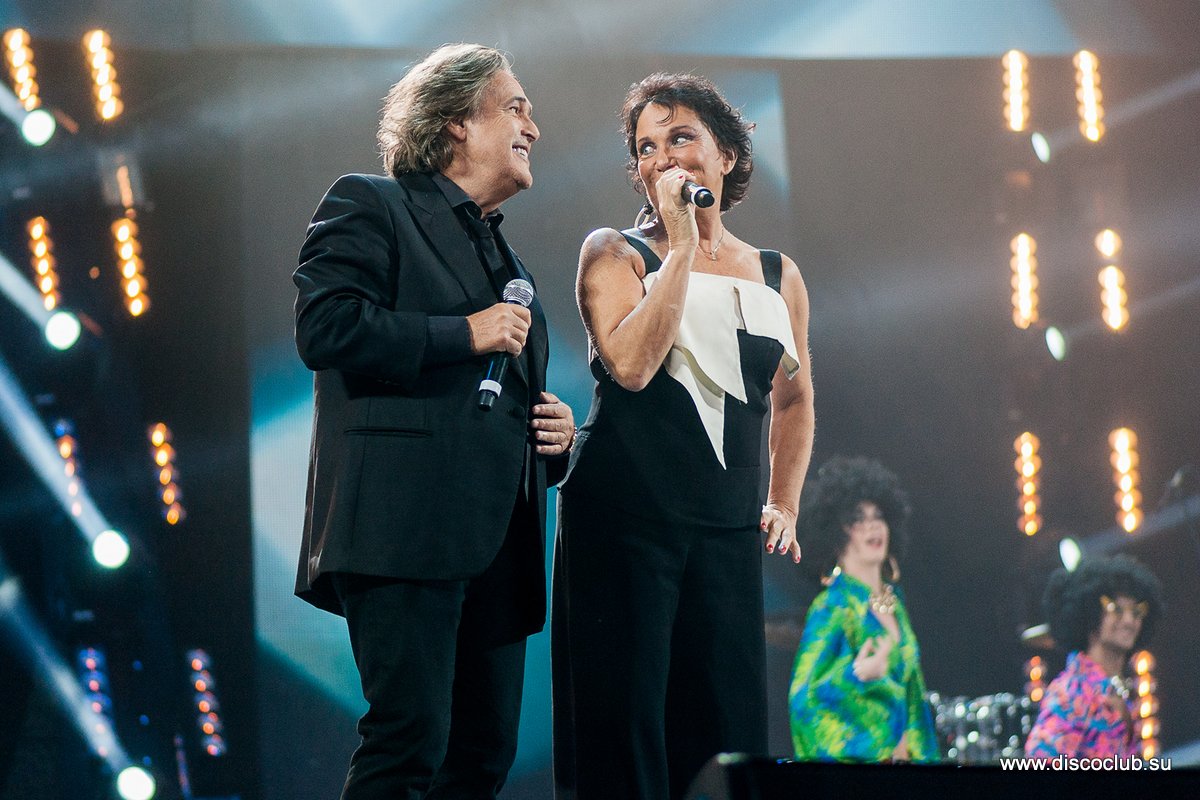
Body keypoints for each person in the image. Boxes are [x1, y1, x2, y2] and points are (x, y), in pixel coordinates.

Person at [292, 44, 575, 800]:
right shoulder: (371, 203)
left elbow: (497, 393)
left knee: (482, 756)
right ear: (455, 120)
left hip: (497, 545)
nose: (533, 128)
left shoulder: (507, 258)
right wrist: (464, 333)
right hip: (403, 525)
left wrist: (551, 437)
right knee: (408, 740)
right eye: (515, 108)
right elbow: (325, 328)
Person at [551, 73, 815, 800]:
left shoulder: (777, 274)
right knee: (624, 736)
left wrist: (785, 502)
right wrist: (680, 246)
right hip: (624, 518)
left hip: (725, 530)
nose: (662, 156)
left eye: (680, 137)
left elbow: (794, 398)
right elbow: (633, 365)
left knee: (726, 739)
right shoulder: (616, 253)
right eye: (646, 147)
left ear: (726, 154)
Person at [788, 456, 938, 763]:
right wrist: (857, 676)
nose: (872, 525)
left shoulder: (896, 605)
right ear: (835, 534)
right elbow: (803, 700)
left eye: (878, 516)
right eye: (857, 519)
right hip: (861, 775)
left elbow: (914, 700)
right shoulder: (833, 606)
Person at [1024, 555, 1163, 759]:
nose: (1129, 621)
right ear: (1089, 613)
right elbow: (1040, 759)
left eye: (1136, 612)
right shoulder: (1072, 692)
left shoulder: (1116, 688)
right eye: (1115, 609)